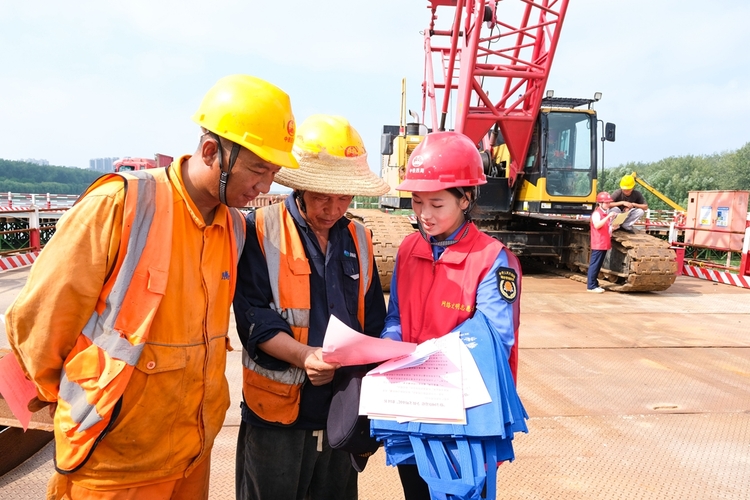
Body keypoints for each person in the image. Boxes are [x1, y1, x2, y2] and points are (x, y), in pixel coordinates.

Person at [4, 74, 298, 500]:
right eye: (257, 169)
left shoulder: (233, 228)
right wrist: (71, 399)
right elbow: (40, 321)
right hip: (114, 462)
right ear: (211, 152)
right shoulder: (121, 204)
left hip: (192, 454)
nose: (265, 187)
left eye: (273, 173)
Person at [233, 114, 389, 500]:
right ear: (300, 187)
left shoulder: (360, 238)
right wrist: (304, 356)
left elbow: (373, 322)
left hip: (342, 413)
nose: (333, 209)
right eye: (322, 196)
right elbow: (253, 318)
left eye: (343, 197)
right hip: (277, 417)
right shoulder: (259, 229)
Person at [377, 131, 526, 500]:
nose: (424, 215)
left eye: (437, 203)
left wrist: (424, 357)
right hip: (412, 407)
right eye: (416, 202)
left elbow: (495, 341)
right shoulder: (409, 249)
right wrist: (388, 344)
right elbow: (396, 316)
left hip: (464, 416)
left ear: (465, 198)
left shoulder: (492, 260)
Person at [588, 192, 617, 293]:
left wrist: (613, 228)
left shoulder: (604, 214)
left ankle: (594, 284)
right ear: (600, 203)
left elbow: (606, 229)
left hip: (603, 242)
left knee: (598, 265)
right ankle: (591, 286)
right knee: (595, 265)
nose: (608, 204)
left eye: (609, 203)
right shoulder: (597, 214)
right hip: (598, 243)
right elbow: (597, 226)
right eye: (606, 203)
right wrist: (608, 217)